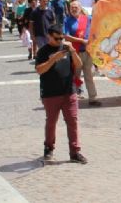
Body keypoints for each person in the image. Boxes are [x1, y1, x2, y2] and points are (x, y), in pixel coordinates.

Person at [35, 25, 87, 164]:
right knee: (51, 122)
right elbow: (39, 70)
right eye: (57, 38)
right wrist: (53, 59)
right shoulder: (43, 51)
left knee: (73, 121)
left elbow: (79, 64)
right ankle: (49, 147)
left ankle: (75, 152)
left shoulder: (66, 48)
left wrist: (73, 51)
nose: (60, 41)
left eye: (62, 38)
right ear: (49, 36)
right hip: (50, 93)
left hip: (69, 91)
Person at [64, 1, 99, 107]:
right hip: (76, 52)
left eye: (75, 7)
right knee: (75, 76)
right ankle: (73, 97)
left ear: (80, 8)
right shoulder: (67, 20)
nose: (74, 9)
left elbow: (95, 30)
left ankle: (93, 98)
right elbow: (66, 36)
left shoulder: (87, 19)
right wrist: (81, 41)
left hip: (88, 51)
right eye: (72, 7)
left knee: (89, 75)